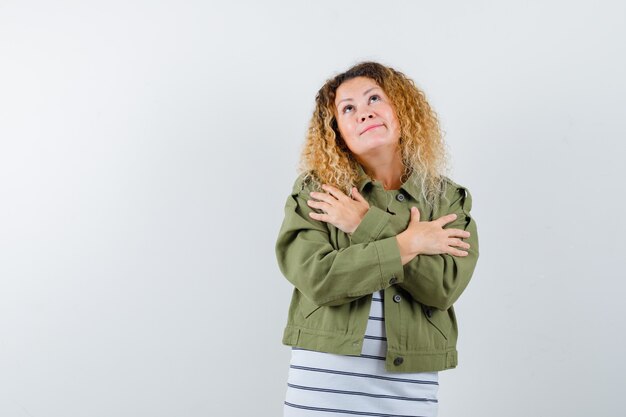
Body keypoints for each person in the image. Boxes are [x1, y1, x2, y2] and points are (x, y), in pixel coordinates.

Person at [275, 61, 480, 417]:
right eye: (348, 108)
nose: (364, 113)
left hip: (409, 387)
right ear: (336, 129)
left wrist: (366, 224)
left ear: (401, 110)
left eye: (374, 99)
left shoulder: (445, 199)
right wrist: (411, 243)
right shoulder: (317, 192)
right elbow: (319, 279)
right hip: (325, 385)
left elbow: (443, 288)